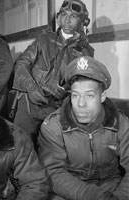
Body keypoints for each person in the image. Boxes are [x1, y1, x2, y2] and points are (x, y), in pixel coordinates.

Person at [38, 56, 129, 200]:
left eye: (90, 96)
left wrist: (119, 197)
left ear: (102, 96)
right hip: (69, 189)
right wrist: (92, 196)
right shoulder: (53, 126)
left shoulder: (120, 123)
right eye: (75, 95)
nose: (81, 104)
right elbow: (52, 172)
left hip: (111, 187)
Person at [12, 0, 94, 147]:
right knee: (21, 147)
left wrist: (65, 90)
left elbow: (84, 82)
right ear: (58, 17)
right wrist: (31, 88)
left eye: (73, 16)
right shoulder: (43, 40)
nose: (67, 20)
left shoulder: (86, 52)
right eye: (63, 14)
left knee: (50, 151)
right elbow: (22, 63)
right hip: (29, 105)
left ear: (82, 21)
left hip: (57, 109)